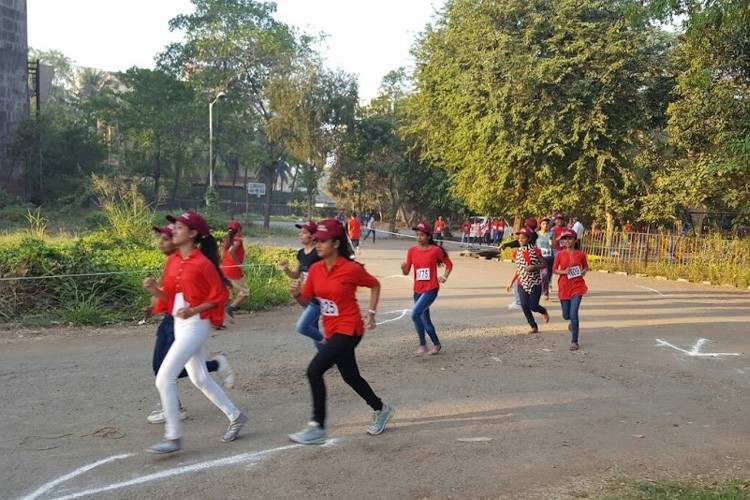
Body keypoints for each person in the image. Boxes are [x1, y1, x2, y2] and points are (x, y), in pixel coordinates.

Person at [143, 211, 247, 454]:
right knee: (199, 378)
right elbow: (169, 298)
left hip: (198, 324)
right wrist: (154, 291)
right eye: (175, 227)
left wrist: (194, 310)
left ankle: (173, 437)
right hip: (181, 324)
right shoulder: (174, 261)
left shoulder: (202, 263)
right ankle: (236, 416)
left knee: (164, 378)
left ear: (193, 234)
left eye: (179, 227)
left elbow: (221, 295)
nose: (174, 231)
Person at [288, 219, 394, 445]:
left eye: (322, 241)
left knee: (314, 370)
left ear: (336, 243)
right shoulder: (316, 269)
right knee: (350, 376)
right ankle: (381, 408)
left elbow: (375, 284)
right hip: (332, 330)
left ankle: (318, 426)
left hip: (350, 328)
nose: (317, 245)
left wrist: (372, 312)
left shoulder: (350, 269)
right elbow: (308, 302)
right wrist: (297, 294)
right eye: (315, 240)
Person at [401, 221, 453, 355]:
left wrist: (444, 277)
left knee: (415, 314)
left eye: (422, 235)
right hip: (417, 290)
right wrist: (403, 268)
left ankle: (422, 344)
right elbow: (407, 271)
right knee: (425, 320)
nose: (419, 238)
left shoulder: (435, 250)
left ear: (428, 236)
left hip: (431, 288)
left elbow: (449, 264)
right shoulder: (411, 251)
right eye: (417, 235)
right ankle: (436, 344)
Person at [279, 220, 324, 349]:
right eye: (300, 232)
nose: (300, 235)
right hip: (304, 297)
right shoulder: (301, 253)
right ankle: (326, 357)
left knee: (303, 327)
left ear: (312, 236)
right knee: (313, 330)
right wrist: (286, 269)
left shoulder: (318, 253)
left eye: (304, 232)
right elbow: (296, 275)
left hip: (317, 298)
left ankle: (328, 348)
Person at [505, 228, 550, 333]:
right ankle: (533, 326)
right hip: (522, 282)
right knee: (525, 306)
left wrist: (533, 267)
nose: (520, 240)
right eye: (519, 238)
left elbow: (544, 264)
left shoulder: (535, 251)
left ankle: (543, 311)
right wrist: (511, 282)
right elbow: (519, 268)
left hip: (535, 282)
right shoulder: (517, 253)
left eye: (523, 238)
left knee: (533, 306)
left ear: (529, 239)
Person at [552, 229, 589, 351]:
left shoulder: (580, 254)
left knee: (574, 313)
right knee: (566, 315)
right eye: (565, 239)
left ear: (575, 240)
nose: (567, 241)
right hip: (564, 286)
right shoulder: (560, 254)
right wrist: (564, 271)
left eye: (570, 238)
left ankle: (574, 341)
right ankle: (571, 322)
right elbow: (554, 270)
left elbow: (585, 267)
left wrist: (583, 271)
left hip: (577, 286)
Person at [221, 221, 248, 323]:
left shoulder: (227, 241)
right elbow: (231, 251)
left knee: (228, 295)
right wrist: (238, 263)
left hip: (225, 269)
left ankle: (218, 314)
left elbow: (224, 255)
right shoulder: (238, 240)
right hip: (233, 270)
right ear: (239, 230)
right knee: (245, 292)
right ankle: (230, 309)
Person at [536, 217, 554, 300]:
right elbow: (534, 245)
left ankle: (545, 287)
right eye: (543, 223)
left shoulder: (551, 234)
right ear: (540, 225)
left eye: (547, 224)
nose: (546, 225)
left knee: (548, 275)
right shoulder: (537, 234)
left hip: (550, 257)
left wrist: (551, 242)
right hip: (540, 258)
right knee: (544, 274)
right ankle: (544, 292)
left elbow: (554, 245)